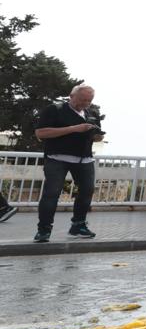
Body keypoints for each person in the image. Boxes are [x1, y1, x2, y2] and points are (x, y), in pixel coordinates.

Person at [33, 84, 104, 242]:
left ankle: (78, 225)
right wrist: (73, 128)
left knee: (87, 191)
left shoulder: (92, 112)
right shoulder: (55, 109)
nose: (85, 103)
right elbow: (40, 133)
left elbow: (98, 135)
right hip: (57, 158)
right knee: (51, 194)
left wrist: (96, 136)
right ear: (71, 96)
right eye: (81, 99)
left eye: (88, 100)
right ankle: (44, 230)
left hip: (85, 159)